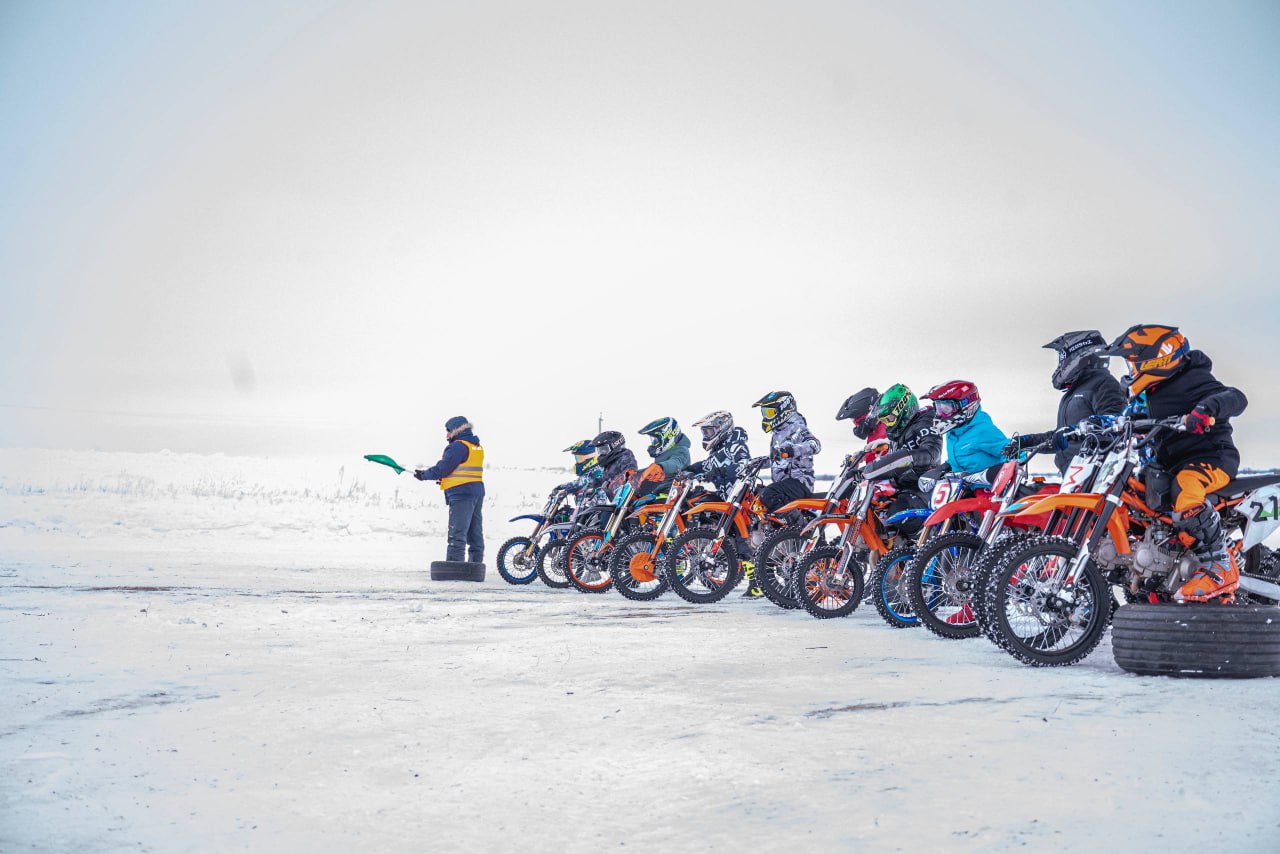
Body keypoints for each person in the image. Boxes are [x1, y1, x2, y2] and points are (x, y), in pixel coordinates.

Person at [1102, 324, 1248, 602]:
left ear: (1156, 359)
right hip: (1173, 464)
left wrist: (1205, 410)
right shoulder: (1156, 391)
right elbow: (1138, 419)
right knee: (1139, 498)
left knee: (1186, 489)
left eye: (1134, 364)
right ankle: (1158, 569)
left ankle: (1220, 565)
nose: (1131, 372)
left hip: (1211, 459)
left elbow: (1236, 398)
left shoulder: (1194, 380)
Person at [1003, 330, 1128, 473]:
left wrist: (1086, 426)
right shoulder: (1074, 392)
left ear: (1077, 353)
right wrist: (1026, 442)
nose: (1059, 363)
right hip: (1073, 476)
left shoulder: (1103, 384)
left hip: (1095, 474)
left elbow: (1116, 421)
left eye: (1061, 357)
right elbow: (1061, 437)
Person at [414, 416, 485, 564]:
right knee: (474, 533)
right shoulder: (476, 446)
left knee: (457, 533)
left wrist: (423, 475)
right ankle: (475, 566)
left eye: (448, 431)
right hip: (476, 491)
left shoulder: (458, 446)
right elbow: (462, 470)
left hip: (462, 494)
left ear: (456, 430)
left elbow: (442, 469)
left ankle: (455, 567)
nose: (446, 435)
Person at [752, 390, 822, 512]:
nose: (765, 417)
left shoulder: (797, 427)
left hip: (800, 482)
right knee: (756, 494)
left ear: (784, 410)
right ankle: (771, 528)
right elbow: (777, 457)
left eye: (769, 412)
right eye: (764, 413)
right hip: (785, 484)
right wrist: (756, 463)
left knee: (768, 494)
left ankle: (794, 525)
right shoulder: (778, 433)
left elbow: (815, 445)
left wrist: (792, 450)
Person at [923, 380, 1009, 478]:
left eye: (946, 409)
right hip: (962, 488)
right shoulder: (953, 432)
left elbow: (1015, 453)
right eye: (938, 407)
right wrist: (941, 469)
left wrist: (998, 477)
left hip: (987, 490)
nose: (940, 414)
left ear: (965, 405)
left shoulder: (983, 431)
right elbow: (960, 459)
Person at [684, 410, 752, 499]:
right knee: (692, 501)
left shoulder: (735, 445)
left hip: (738, 499)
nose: (706, 436)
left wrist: (721, 472)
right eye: (704, 433)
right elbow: (706, 465)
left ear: (722, 427)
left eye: (709, 432)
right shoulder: (717, 450)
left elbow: (746, 465)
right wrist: (688, 470)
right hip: (723, 497)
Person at [636, 417, 692, 496]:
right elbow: (653, 469)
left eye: (655, 440)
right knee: (634, 503)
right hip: (658, 490)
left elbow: (675, 463)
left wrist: (661, 466)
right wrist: (635, 473)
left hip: (672, 493)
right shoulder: (666, 452)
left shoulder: (681, 450)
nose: (654, 443)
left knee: (647, 507)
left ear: (668, 435)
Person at [835, 387, 890, 464]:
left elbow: (887, 449)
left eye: (855, 421)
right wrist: (862, 455)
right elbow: (881, 450)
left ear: (866, 416)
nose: (856, 426)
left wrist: (858, 473)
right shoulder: (877, 431)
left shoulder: (887, 430)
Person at [591, 430, 638, 499]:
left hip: (624, 500)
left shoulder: (625, 457)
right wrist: (595, 483)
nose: (601, 452)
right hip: (615, 500)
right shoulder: (610, 463)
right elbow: (608, 478)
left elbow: (630, 475)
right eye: (599, 450)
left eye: (604, 449)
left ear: (615, 446)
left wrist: (609, 486)